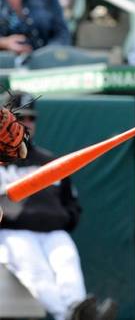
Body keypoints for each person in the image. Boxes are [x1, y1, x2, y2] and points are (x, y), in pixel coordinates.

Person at [0, 91, 117, 320]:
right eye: (21, 117)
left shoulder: (49, 160)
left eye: (31, 118)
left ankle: (78, 308)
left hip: (53, 231)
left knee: (67, 261)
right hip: (13, 234)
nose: (27, 123)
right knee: (36, 270)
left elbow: (70, 203)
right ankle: (71, 315)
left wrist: (65, 219)